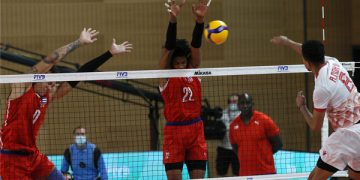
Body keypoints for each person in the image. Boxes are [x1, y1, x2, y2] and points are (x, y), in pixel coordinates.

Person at [0, 28, 132, 180]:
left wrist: (109, 53)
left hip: (34, 156)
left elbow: (79, 75)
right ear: (38, 78)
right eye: (49, 82)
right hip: (11, 159)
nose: (52, 86)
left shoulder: (46, 97)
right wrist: (78, 42)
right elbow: (51, 59)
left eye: (54, 84)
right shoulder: (20, 88)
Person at [271, 36, 360, 180]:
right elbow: (305, 50)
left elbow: (315, 126)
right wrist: (287, 42)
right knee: (355, 176)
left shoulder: (322, 88)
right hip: (357, 130)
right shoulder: (333, 62)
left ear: (306, 63)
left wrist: (302, 106)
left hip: (348, 135)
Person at [159, 0, 209, 179]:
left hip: (195, 130)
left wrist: (200, 21)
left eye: (183, 62)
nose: (180, 66)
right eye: (177, 63)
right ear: (172, 64)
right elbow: (169, 46)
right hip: (174, 132)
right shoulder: (165, 76)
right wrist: (173, 19)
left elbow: (196, 46)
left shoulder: (194, 69)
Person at [229, 93, 283, 176]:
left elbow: (278, 144)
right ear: (238, 106)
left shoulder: (264, 120)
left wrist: (264, 153)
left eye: (247, 103)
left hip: (266, 173)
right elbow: (236, 148)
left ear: (252, 104)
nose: (245, 106)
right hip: (245, 174)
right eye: (242, 103)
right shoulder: (233, 126)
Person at [215, 94, 240, 176]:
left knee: (237, 173)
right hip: (223, 148)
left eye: (235, 101)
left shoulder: (242, 115)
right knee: (221, 173)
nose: (233, 103)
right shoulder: (222, 114)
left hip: (238, 148)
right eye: (231, 101)